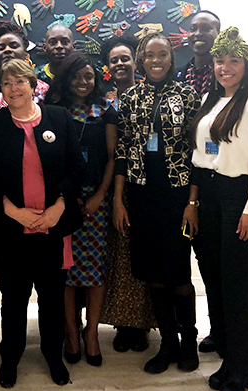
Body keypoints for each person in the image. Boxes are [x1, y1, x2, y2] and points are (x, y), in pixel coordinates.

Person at [0, 59, 84, 388]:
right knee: (15, 299)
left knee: (52, 298)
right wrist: (12, 211)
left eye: (20, 81)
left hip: (52, 228)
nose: (14, 88)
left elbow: (76, 169)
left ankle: (53, 354)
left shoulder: (59, 118)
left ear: (34, 84)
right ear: (1, 90)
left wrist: (59, 207)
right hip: (12, 230)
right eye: (7, 83)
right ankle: (11, 356)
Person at [190, 27, 248, 391]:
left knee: (238, 285)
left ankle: (241, 368)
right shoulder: (212, 101)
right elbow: (202, 156)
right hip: (208, 194)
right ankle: (228, 355)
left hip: (239, 197)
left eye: (233, 61)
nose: (225, 67)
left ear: (246, 64)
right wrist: (193, 202)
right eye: (219, 61)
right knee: (215, 278)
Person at [115, 32, 201, 376]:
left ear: (171, 57)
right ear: (140, 58)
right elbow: (122, 151)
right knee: (153, 273)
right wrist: (120, 202)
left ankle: (189, 342)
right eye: (149, 54)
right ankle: (168, 343)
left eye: (162, 54)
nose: (155, 60)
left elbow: (198, 154)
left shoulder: (189, 96)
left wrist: (193, 201)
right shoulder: (130, 98)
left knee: (178, 272)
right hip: (141, 196)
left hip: (177, 196)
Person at [45, 53, 117, 367]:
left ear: (96, 79)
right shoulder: (56, 111)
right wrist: (68, 195)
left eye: (88, 76)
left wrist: (101, 194)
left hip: (97, 199)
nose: (83, 82)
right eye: (76, 76)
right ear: (67, 79)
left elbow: (114, 156)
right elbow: (53, 158)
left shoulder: (107, 111)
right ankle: (71, 334)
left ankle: (92, 335)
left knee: (95, 271)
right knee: (67, 271)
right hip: (65, 199)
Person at [98, 36, 157, 353]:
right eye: (114, 60)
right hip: (120, 189)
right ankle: (124, 324)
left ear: (136, 62)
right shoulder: (108, 105)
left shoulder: (154, 97)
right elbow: (113, 153)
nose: (120, 64)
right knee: (121, 258)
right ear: (108, 67)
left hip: (152, 189)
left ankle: (145, 324)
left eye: (125, 58)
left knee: (147, 254)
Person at [0, 20, 49, 109]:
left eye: (14, 46)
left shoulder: (43, 90)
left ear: (25, 52)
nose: (7, 50)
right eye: (1, 48)